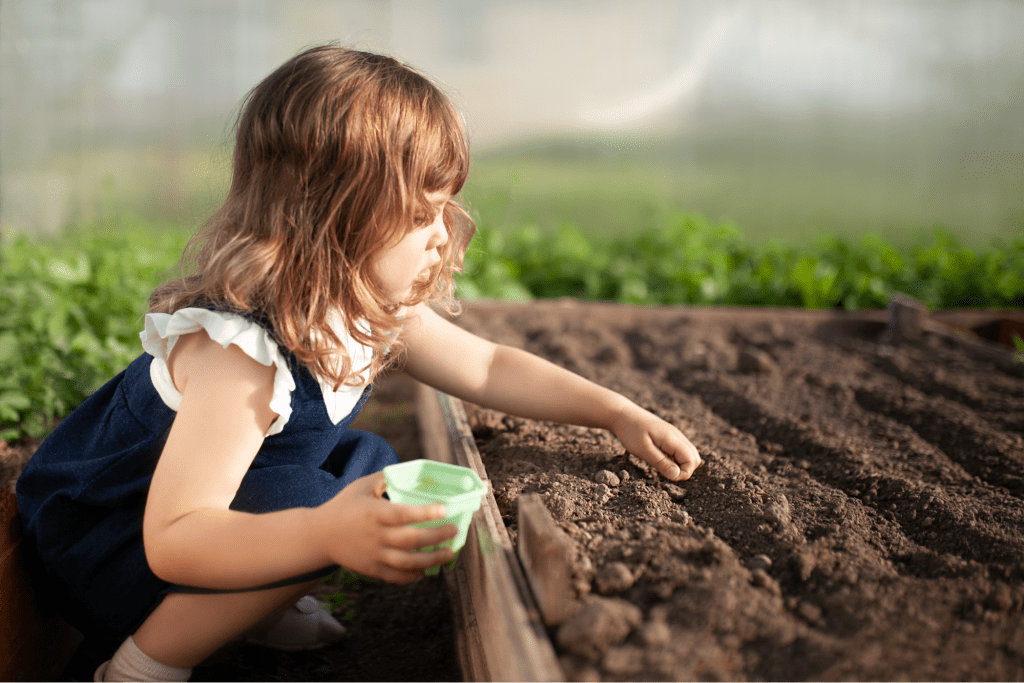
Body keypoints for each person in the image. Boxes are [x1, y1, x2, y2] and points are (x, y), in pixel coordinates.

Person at [15, 45, 702, 683]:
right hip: (108, 545)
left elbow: (488, 368)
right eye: (423, 214)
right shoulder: (242, 356)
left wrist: (615, 411)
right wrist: (321, 533)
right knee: (327, 505)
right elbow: (173, 538)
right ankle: (146, 661)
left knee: (364, 467)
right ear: (337, 217)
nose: (444, 234)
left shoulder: (366, 307)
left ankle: (244, 605)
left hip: (192, 528)